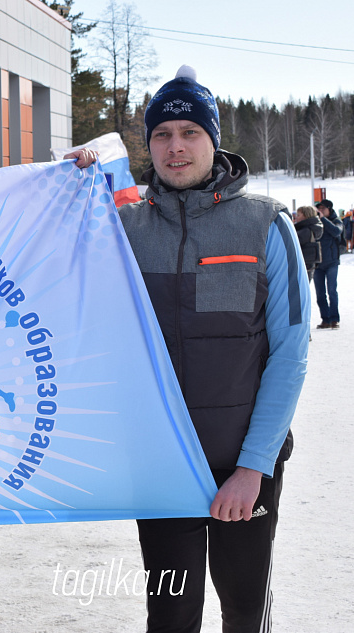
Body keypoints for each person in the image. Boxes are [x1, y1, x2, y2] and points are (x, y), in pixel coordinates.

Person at [102, 66, 308, 633]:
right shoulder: (123, 229)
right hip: (162, 466)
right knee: (169, 616)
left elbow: (291, 355)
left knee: (243, 611)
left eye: (190, 132)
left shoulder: (266, 225)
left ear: (213, 139)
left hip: (243, 467)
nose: (175, 147)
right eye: (162, 135)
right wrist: (71, 186)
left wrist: (252, 468)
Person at [314, 199, 343, 329]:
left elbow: (337, 231)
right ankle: (325, 319)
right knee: (320, 293)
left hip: (332, 262)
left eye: (323, 209)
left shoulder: (336, 221)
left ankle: (334, 319)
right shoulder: (316, 222)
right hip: (318, 264)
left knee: (332, 291)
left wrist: (323, 220)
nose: (320, 211)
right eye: (318, 209)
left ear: (329, 209)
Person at [294, 205, 323, 282]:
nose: (296, 217)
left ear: (306, 216)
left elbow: (291, 243)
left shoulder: (305, 231)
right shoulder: (312, 228)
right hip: (308, 266)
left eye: (298, 215)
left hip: (303, 265)